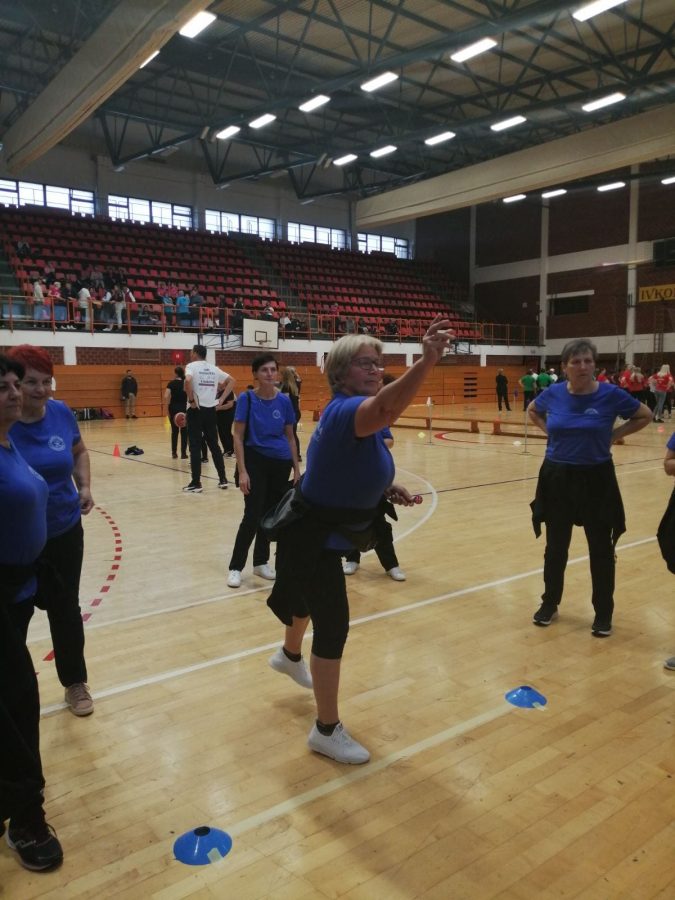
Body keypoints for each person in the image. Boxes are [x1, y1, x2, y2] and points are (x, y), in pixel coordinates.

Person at [265, 316, 453, 764]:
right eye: (364, 363)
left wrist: (385, 487)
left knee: (308, 599)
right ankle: (325, 730)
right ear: (340, 372)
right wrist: (427, 361)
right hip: (311, 536)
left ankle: (289, 654)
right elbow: (387, 409)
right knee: (333, 627)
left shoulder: (354, 415)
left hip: (322, 531)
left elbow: (345, 467)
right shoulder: (345, 411)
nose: (375, 370)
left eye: (378, 363)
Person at [528, 338, 651, 637]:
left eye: (588, 361)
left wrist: (614, 435)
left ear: (594, 365)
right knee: (556, 547)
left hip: (597, 479)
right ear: (565, 367)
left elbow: (645, 415)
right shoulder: (553, 393)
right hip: (557, 477)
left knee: (601, 549)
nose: (583, 366)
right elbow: (533, 410)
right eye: (576, 361)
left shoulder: (611, 394)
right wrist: (549, 433)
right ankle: (550, 603)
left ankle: (603, 612)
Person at [0, 353, 64, 871]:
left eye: (13, 384)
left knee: (13, 699)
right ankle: (25, 817)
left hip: (20, 589)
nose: (15, 393)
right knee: (17, 703)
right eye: (3, 388)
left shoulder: (9, 442)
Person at [9, 345, 95, 717]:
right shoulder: (4, 421)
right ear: (14, 384)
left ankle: (75, 682)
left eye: (47, 381)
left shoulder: (60, 413)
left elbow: (79, 451)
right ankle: (12, 690)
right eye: (32, 382)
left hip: (63, 531)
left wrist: (84, 486)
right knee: (14, 616)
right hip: (15, 540)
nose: (42, 390)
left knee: (65, 609)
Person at [227, 354, 300, 588]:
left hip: (281, 464)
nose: (270, 374)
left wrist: (297, 469)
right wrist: (242, 471)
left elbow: (291, 437)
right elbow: (238, 437)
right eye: (264, 370)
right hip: (255, 462)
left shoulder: (285, 401)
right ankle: (236, 567)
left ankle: (260, 562)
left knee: (270, 515)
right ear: (255, 375)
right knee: (252, 515)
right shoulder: (247, 399)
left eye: (272, 369)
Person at [342, 423, 406, 581]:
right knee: (349, 520)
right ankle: (352, 559)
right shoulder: (346, 419)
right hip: (350, 479)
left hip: (374, 479)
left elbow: (389, 440)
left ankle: (391, 565)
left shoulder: (377, 420)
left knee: (379, 523)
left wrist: (370, 446)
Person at [183, 344, 234, 493]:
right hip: (211, 411)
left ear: (195, 353)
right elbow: (232, 380)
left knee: (195, 446)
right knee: (214, 445)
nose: (190, 354)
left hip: (196, 410)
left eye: (191, 352)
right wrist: (221, 399)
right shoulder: (214, 368)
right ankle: (223, 479)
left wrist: (191, 400)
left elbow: (187, 381)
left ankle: (196, 483)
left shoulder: (191, 366)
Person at [165, 366, 188, 459]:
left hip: (173, 409)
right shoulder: (185, 383)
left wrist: (167, 409)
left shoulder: (171, 383)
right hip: (184, 408)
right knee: (184, 432)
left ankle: (174, 453)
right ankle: (183, 454)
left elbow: (166, 396)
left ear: (176, 373)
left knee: (174, 432)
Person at [280, 365, 302, 461]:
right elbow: (298, 378)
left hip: (290, 412)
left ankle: (294, 454)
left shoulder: (286, 386)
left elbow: (284, 401)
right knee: (292, 434)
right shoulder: (297, 383)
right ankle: (296, 454)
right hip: (296, 412)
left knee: (290, 434)